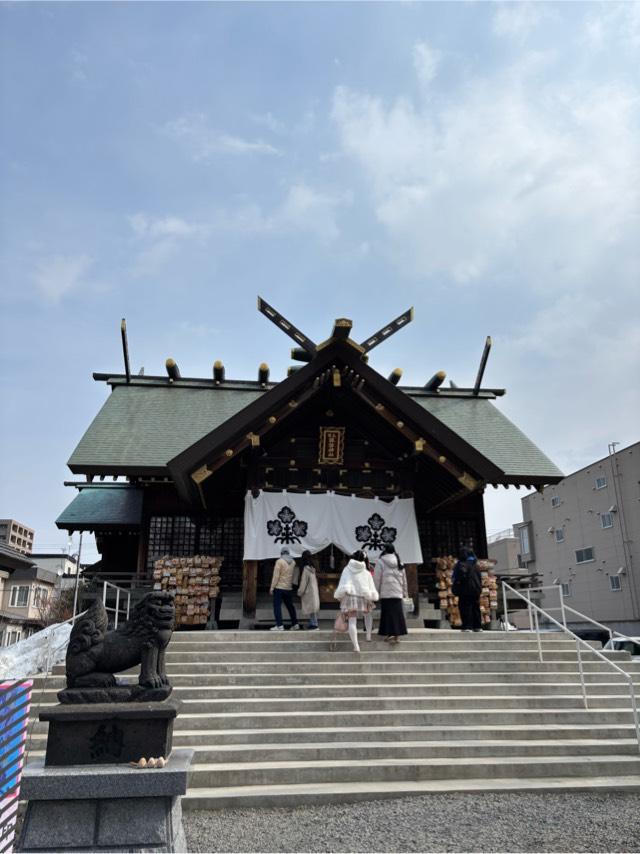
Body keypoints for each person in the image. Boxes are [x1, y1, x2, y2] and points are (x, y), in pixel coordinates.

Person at [334, 550, 379, 652]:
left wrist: (339, 595)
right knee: (368, 614)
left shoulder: (347, 569)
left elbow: (342, 584)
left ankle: (356, 646)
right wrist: (372, 596)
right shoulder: (366, 571)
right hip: (364, 596)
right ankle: (368, 636)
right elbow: (371, 586)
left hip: (351, 596)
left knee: (352, 621)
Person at [373, 545, 409, 644]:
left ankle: (389, 634)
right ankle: (397, 635)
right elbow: (404, 579)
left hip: (386, 592)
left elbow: (377, 579)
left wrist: (375, 592)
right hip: (397, 593)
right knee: (397, 614)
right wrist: (405, 593)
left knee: (387, 615)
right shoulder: (399, 562)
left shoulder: (380, 562)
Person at [269, 547, 301, 631]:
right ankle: (295, 624)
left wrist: (272, 587)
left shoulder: (279, 561)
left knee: (277, 606)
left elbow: (276, 576)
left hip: (279, 587)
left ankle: (279, 625)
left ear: (281, 553)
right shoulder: (293, 562)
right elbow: (295, 575)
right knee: (290, 606)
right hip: (288, 588)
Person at [452, 548, 483, 632]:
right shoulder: (476, 565)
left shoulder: (461, 564)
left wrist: (456, 584)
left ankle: (467, 626)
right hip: (476, 589)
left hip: (465, 589)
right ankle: (477, 626)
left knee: (465, 607)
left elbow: (459, 577)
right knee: (476, 608)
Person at [297, 550, 320, 630]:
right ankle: (312, 623)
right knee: (312, 609)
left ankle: (314, 624)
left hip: (308, 592)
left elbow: (303, 582)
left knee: (311, 609)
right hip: (313, 592)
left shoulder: (306, 570)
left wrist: (300, 592)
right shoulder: (313, 569)